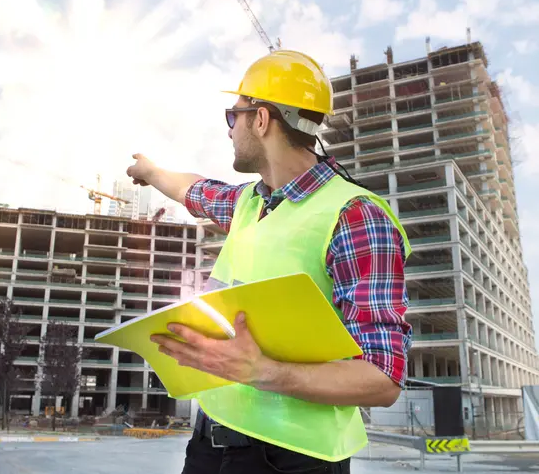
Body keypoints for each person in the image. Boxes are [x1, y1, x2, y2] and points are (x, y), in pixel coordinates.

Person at [126, 50, 412, 474]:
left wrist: (262, 371)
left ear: (260, 120)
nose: (229, 131)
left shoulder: (354, 215)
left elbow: (382, 379)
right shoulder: (248, 202)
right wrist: (150, 172)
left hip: (290, 461)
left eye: (233, 116)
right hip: (208, 446)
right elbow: (193, 189)